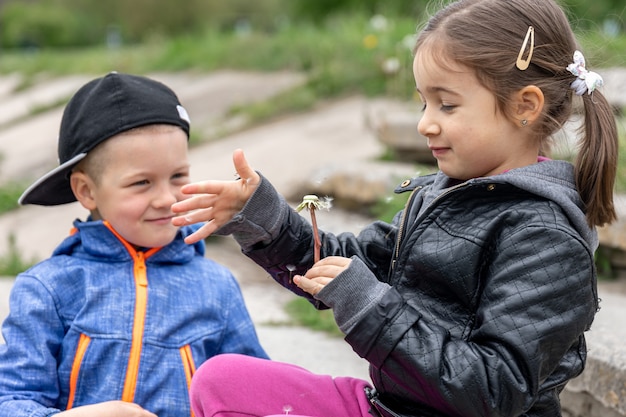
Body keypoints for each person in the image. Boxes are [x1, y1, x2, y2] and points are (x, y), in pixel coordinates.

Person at [172, 0, 619, 415]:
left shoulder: (545, 237)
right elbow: (349, 261)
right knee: (222, 380)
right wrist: (261, 215)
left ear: (524, 106)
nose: (425, 122)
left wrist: (369, 306)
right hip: (392, 405)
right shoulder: (444, 196)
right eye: (423, 102)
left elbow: (494, 389)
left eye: (446, 104)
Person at [0, 72, 268, 417]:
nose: (166, 198)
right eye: (141, 183)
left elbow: (255, 396)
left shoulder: (217, 288)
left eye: (178, 176)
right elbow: (12, 400)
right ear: (87, 191)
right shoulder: (47, 290)